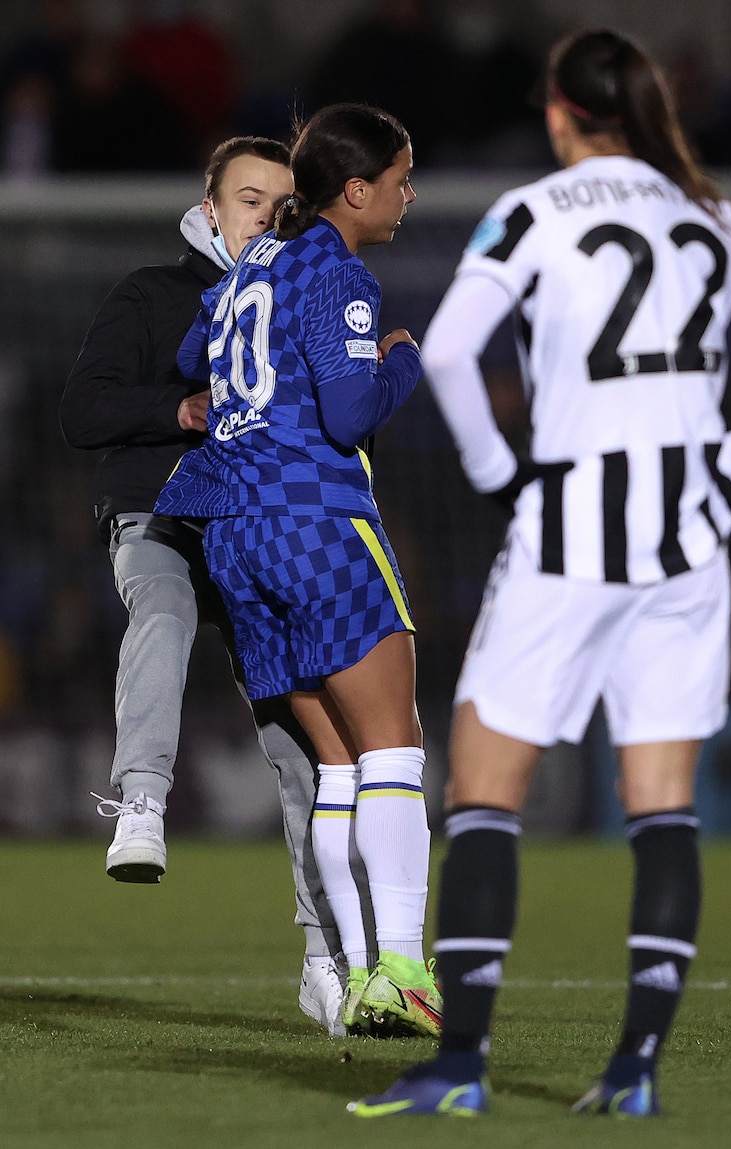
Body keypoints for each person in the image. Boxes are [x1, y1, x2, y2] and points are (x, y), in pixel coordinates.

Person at [348, 28, 731, 1116]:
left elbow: (445, 349)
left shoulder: (534, 212)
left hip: (571, 530)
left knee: (484, 792)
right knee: (661, 806)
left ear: (556, 114)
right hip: (689, 540)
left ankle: (460, 1068)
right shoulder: (709, 213)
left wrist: (500, 476)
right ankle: (632, 1075)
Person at [154, 103, 442, 1039]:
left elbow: (195, 355)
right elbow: (353, 413)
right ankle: (403, 970)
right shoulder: (338, 274)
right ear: (355, 191)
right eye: (400, 178)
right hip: (317, 525)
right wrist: (403, 362)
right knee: (393, 750)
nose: (408, 194)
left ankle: (360, 978)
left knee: (338, 765)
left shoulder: (251, 271)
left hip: (235, 536)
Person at [59, 135, 349, 1037]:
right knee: (165, 606)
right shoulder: (151, 294)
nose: (266, 213)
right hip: (159, 514)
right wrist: (177, 408)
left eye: (280, 201)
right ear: (211, 205)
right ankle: (141, 802)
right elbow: (82, 411)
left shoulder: (304, 301)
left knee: (300, 743)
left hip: (259, 531)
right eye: (250, 197)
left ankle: (325, 959)